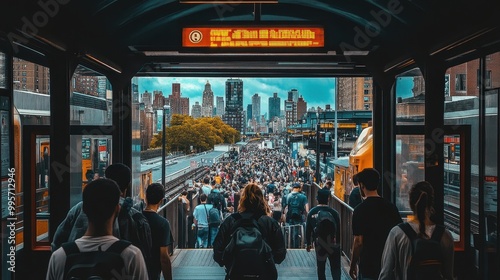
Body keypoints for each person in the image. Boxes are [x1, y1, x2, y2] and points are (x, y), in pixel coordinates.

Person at [51, 163, 152, 266]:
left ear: (105, 179)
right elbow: (146, 255)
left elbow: (57, 242)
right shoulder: (135, 217)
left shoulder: (79, 208)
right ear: (127, 185)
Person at [46, 178, 148, 279]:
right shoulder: (131, 256)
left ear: (84, 209)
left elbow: (58, 239)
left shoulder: (60, 257)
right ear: (117, 209)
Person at [379, 181, 455, 280]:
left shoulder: (397, 233)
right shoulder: (446, 236)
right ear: (431, 203)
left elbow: (386, 274)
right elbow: (448, 275)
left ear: (410, 204)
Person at [213, 183, 286, 280]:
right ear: (261, 199)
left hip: (236, 274)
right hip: (264, 274)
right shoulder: (270, 223)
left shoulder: (230, 221)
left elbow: (218, 252)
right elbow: (280, 254)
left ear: (242, 200)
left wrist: (229, 262)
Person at [349, 168, 402, 280]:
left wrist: (353, 264)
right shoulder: (391, 208)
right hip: (389, 264)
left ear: (362, 186)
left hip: (368, 266)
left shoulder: (359, 210)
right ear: (377, 184)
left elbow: (358, 242)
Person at [305, 188, 341, 280]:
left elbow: (308, 229)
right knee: (336, 268)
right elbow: (338, 231)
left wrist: (308, 243)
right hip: (333, 243)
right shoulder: (334, 213)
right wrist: (338, 244)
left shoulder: (312, 212)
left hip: (320, 243)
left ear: (317, 199)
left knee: (321, 269)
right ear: (328, 199)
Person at [143, 183, 174, 280]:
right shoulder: (163, 223)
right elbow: (164, 257)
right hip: (153, 271)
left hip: (135, 268)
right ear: (161, 201)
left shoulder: (136, 218)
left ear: (145, 197)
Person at [283, 182, 309, 248]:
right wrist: (307, 214)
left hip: (290, 217)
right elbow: (307, 208)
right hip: (299, 216)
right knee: (298, 230)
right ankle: (299, 245)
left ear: (293, 188)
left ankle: (290, 245)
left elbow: (285, 208)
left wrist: (285, 216)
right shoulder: (303, 197)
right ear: (299, 189)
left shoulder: (287, 196)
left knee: (290, 230)